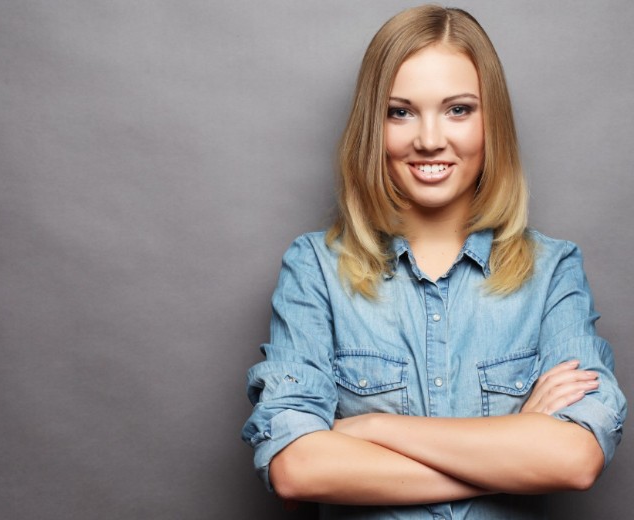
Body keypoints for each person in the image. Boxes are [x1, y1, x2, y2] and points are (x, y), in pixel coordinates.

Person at [241, 5, 626, 518]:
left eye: (458, 109)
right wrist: (511, 452)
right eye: (400, 111)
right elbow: (297, 468)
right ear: (372, 127)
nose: (428, 138)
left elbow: (575, 460)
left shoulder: (552, 270)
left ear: (493, 123)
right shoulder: (314, 268)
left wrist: (373, 430)